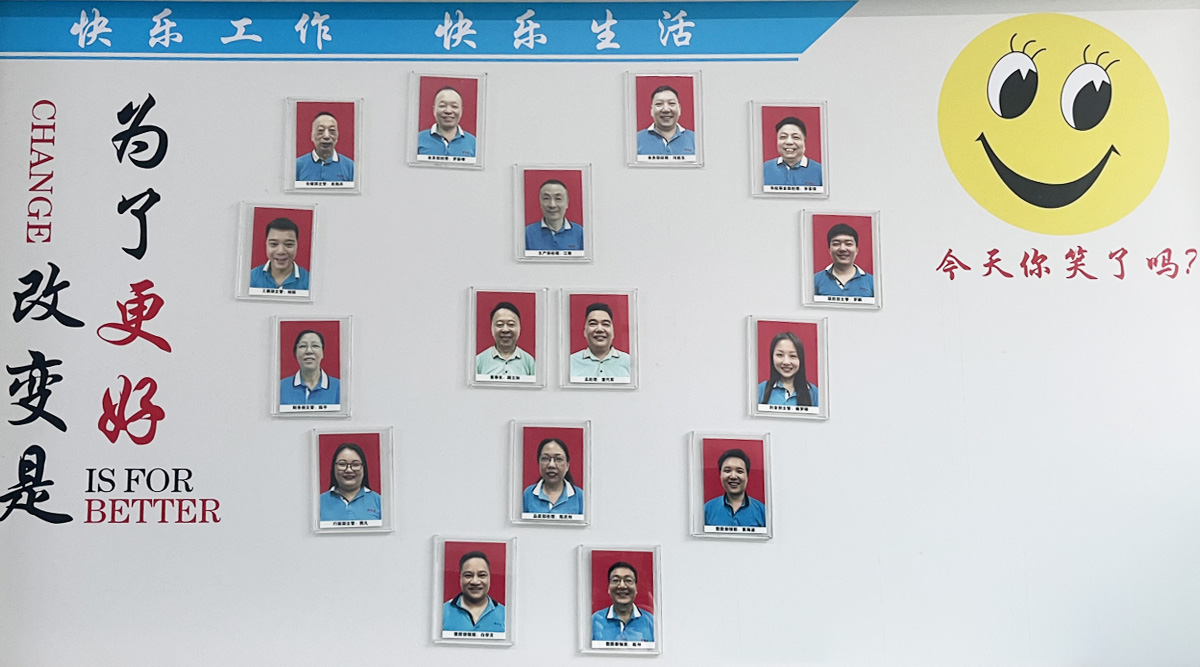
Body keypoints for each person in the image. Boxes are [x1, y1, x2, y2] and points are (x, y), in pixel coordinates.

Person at [443, 550, 506, 633]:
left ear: (489, 578)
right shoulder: (442, 612)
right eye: (468, 575)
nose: (475, 581)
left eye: (482, 575)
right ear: (460, 578)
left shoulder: (505, 614)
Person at [592, 561, 654, 642]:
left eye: (628, 580)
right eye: (615, 580)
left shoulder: (651, 621)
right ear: (608, 588)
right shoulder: (595, 620)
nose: (622, 586)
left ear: (636, 588)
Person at [319, 442, 381, 522]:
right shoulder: (318, 503)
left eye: (355, 464)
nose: (349, 470)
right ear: (334, 468)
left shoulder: (380, 502)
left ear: (364, 468)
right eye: (342, 464)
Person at [703, 448, 766, 527]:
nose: (733, 476)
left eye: (739, 471)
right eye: (727, 471)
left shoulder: (762, 511)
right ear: (720, 475)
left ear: (747, 476)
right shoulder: (707, 509)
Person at [522, 438, 583, 515]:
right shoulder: (528, 494)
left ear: (567, 465)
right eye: (545, 458)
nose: (551, 465)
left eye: (558, 459)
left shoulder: (579, 496)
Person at [280, 329, 341, 405]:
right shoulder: (281, 387)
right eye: (303, 346)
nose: (309, 351)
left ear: (322, 353)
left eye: (315, 346)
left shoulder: (339, 387)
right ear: (295, 353)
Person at [757, 331, 818, 407]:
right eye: (780, 355)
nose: (786, 362)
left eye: (792, 356)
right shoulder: (760, 390)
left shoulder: (814, 392)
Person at [569, 302, 630, 379]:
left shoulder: (629, 362)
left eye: (605, 324)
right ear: (585, 331)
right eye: (593, 324)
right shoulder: (569, 363)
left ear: (613, 332)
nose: (599, 329)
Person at [475, 301, 535, 378]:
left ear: (519, 327)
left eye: (511, 324)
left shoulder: (529, 361)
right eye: (499, 324)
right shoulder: (478, 361)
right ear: (491, 328)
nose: (505, 330)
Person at [814, 223, 875, 297]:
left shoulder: (872, 282)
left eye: (848, 244)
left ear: (856, 250)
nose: (842, 249)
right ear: (829, 250)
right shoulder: (815, 280)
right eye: (836, 244)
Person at [249, 217, 309, 291]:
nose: (281, 251)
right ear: (266, 244)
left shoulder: (310, 281)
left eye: (288, 244)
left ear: (297, 245)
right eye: (274, 244)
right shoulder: (251, 278)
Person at [635, 85, 696, 156]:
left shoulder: (695, 139)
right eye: (659, 104)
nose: (666, 109)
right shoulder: (636, 140)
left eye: (671, 103)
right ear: (651, 110)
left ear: (679, 109)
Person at [524, 179, 583, 252]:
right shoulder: (526, 234)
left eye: (558, 199)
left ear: (567, 202)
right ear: (540, 202)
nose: (552, 205)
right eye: (546, 198)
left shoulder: (580, 233)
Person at [417, 86, 477, 157]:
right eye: (442, 106)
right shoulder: (417, 140)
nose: (448, 111)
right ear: (434, 110)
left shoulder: (474, 143)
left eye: (454, 106)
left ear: (461, 111)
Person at [295, 111, 354, 182]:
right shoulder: (297, 165)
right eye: (320, 130)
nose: (326, 136)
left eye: (332, 130)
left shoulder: (350, 167)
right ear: (312, 136)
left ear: (337, 136)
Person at [763, 116, 822, 186]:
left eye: (795, 137)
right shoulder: (763, 170)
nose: (789, 142)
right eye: (783, 137)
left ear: (804, 141)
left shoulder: (821, 171)